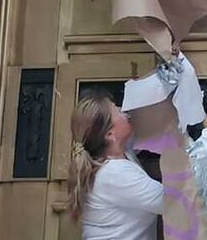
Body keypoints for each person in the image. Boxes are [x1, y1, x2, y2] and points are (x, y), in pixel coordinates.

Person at [67, 90, 164, 240]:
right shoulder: (115, 173)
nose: (124, 111)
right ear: (110, 135)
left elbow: (143, 134)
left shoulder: (119, 154)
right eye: (117, 110)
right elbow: (173, 202)